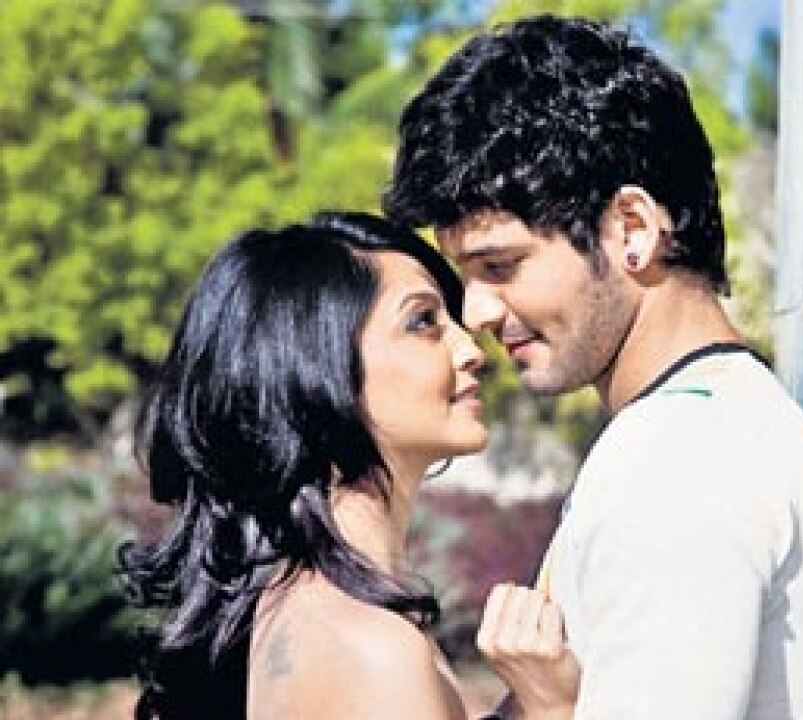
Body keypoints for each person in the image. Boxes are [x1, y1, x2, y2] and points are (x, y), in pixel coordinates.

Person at [384, 15, 803, 720]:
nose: (475, 311)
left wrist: (550, 710)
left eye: (501, 266)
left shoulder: (682, 463)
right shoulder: (693, 428)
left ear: (631, 229)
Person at [118, 212, 577, 720]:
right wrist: (552, 709)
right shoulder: (372, 647)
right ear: (317, 370)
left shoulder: (309, 603)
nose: (471, 350)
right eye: (423, 322)